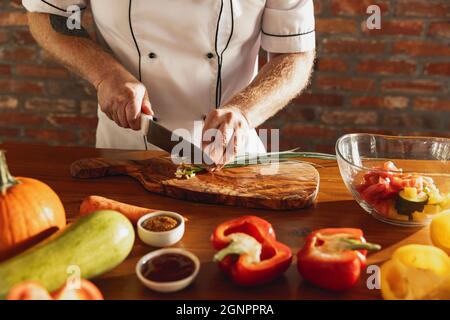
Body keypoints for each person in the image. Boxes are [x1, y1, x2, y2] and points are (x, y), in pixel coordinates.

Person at [23, 0, 315, 165]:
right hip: (125, 152)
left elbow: (294, 54)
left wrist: (243, 111)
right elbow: (49, 15)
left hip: (231, 154)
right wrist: (106, 75)